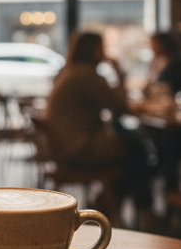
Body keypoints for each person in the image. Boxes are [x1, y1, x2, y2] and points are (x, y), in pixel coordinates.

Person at [42, 31, 152, 222]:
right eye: (102, 48)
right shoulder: (86, 74)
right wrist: (118, 71)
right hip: (80, 149)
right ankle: (139, 210)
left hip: (65, 147)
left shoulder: (71, 71)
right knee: (137, 150)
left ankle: (107, 204)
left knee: (133, 144)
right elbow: (119, 105)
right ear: (94, 50)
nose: (105, 53)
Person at [146, 32, 181, 97]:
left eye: (154, 44)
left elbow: (175, 86)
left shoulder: (177, 62)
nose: (152, 48)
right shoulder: (157, 62)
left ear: (162, 44)